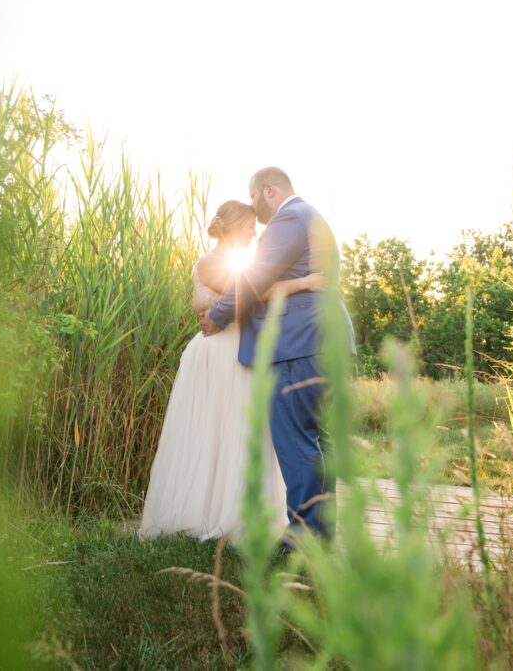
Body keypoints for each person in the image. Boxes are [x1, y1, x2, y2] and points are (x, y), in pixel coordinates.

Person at [138, 199, 322, 542]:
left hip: (239, 352)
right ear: (235, 225)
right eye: (251, 225)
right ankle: (204, 513)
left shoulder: (241, 264)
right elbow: (254, 293)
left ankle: (242, 509)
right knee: (213, 432)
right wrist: (305, 282)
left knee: (238, 432)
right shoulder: (211, 263)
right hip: (217, 355)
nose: (255, 232)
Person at [200, 167, 355, 542]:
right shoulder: (312, 218)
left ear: (268, 190)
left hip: (298, 343)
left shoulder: (289, 217)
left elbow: (256, 278)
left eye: (252, 197)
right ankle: (322, 531)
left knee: (296, 440)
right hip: (326, 340)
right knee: (317, 439)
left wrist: (218, 316)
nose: (253, 206)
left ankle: (303, 535)